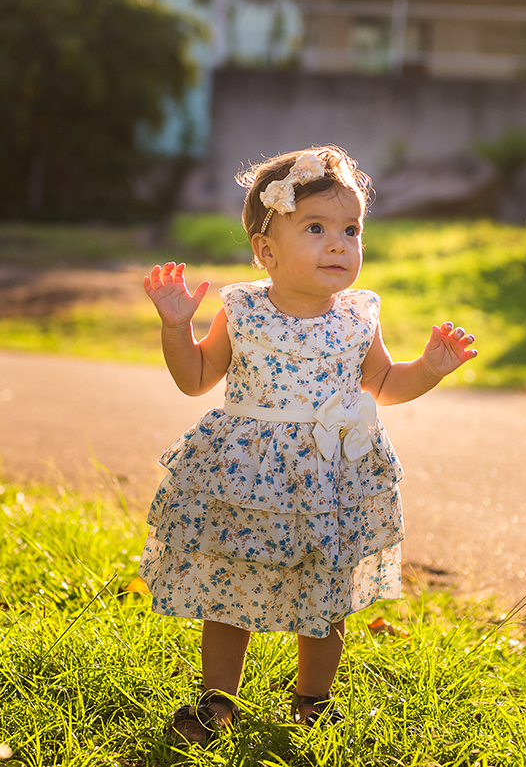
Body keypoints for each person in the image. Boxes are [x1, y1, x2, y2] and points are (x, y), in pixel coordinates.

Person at [140, 144, 477, 744]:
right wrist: (175, 327)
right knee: (230, 584)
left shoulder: (356, 318)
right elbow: (193, 379)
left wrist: (430, 367)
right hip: (248, 480)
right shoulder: (241, 312)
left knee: (329, 589)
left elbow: (382, 384)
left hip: (330, 475)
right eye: (316, 228)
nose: (339, 244)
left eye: (351, 230)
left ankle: (314, 701)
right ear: (266, 251)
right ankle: (217, 700)